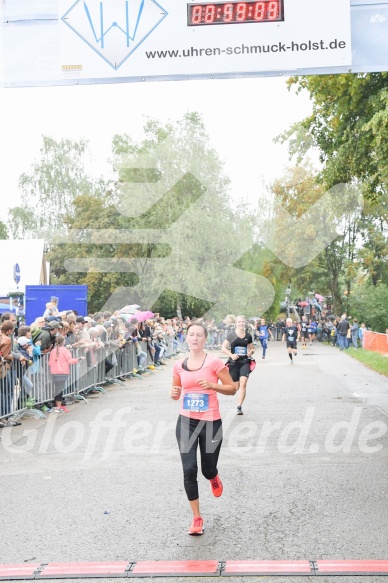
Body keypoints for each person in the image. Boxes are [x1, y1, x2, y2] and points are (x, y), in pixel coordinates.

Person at [171, 322, 235, 536]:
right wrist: (174, 394)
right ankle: (197, 517)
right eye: (192, 335)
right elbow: (177, 390)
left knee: (207, 469)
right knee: (189, 470)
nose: (195, 338)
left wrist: (213, 386)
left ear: (205, 339)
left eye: (199, 335)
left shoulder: (215, 363)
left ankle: (214, 476)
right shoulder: (179, 364)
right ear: (186, 338)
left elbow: (232, 388)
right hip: (186, 422)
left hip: (211, 422)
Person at [221, 315, 254, 415]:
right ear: (236, 323)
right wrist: (231, 355)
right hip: (233, 363)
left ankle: (239, 407)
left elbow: (252, 348)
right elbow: (223, 347)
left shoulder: (248, 336)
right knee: (235, 388)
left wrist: (250, 352)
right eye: (239, 322)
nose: (241, 324)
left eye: (242, 322)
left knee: (243, 383)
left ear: (244, 323)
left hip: (244, 362)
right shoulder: (231, 335)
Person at [48, 334, 80, 412]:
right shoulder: (65, 350)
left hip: (54, 372)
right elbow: (70, 361)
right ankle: (58, 407)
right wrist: (79, 359)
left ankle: (57, 406)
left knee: (56, 389)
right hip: (62, 372)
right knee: (60, 389)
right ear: (63, 342)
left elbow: (49, 362)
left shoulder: (53, 350)